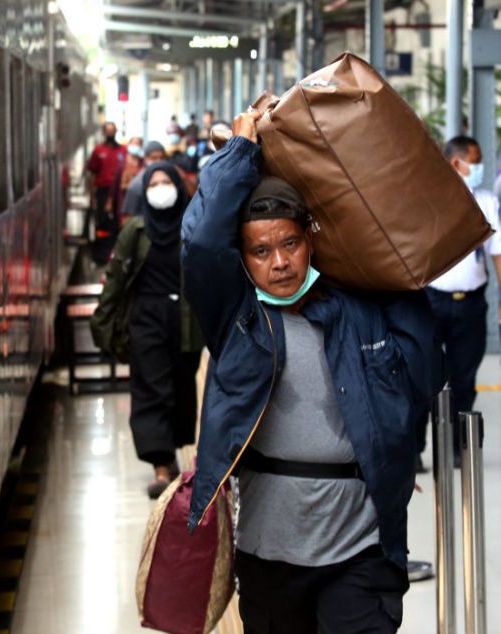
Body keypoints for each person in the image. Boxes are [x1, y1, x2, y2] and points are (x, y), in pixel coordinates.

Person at [182, 112, 440, 632]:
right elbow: (203, 245)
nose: (280, 262)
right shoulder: (238, 321)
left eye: (291, 244)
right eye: (261, 251)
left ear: (312, 241)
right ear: (245, 260)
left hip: (361, 548)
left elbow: (420, 369)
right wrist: (238, 155)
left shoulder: (363, 309)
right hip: (269, 551)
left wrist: (394, 453)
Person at [100, 163, 202, 498]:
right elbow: (117, 277)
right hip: (146, 317)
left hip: (185, 319)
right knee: (152, 389)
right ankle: (161, 466)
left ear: (178, 186)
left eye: (165, 182)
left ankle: (172, 449)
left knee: (181, 387)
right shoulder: (136, 231)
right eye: (153, 183)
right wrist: (103, 318)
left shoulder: (194, 226)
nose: (160, 189)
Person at [419, 136, 501, 464]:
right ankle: (415, 452)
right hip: (430, 303)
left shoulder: (486, 202)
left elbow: (497, 253)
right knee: (423, 376)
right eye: (475, 160)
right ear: (456, 163)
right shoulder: (428, 198)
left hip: (470, 304)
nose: (479, 168)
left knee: (464, 379)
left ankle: (459, 450)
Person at [85, 122, 127, 262]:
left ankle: (119, 252)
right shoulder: (98, 151)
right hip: (103, 191)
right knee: (103, 222)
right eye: (108, 131)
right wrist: (92, 196)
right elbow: (92, 174)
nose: (110, 134)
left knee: (119, 221)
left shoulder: (123, 150)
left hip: (119, 193)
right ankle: (102, 254)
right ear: (103, 133)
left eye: (112, 131)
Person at [119, 141, 167, 219]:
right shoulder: (138, 183)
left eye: (162, 158)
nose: (159, 162)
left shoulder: (171, 178)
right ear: (146, 158)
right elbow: (128, 218)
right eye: (154, 158)